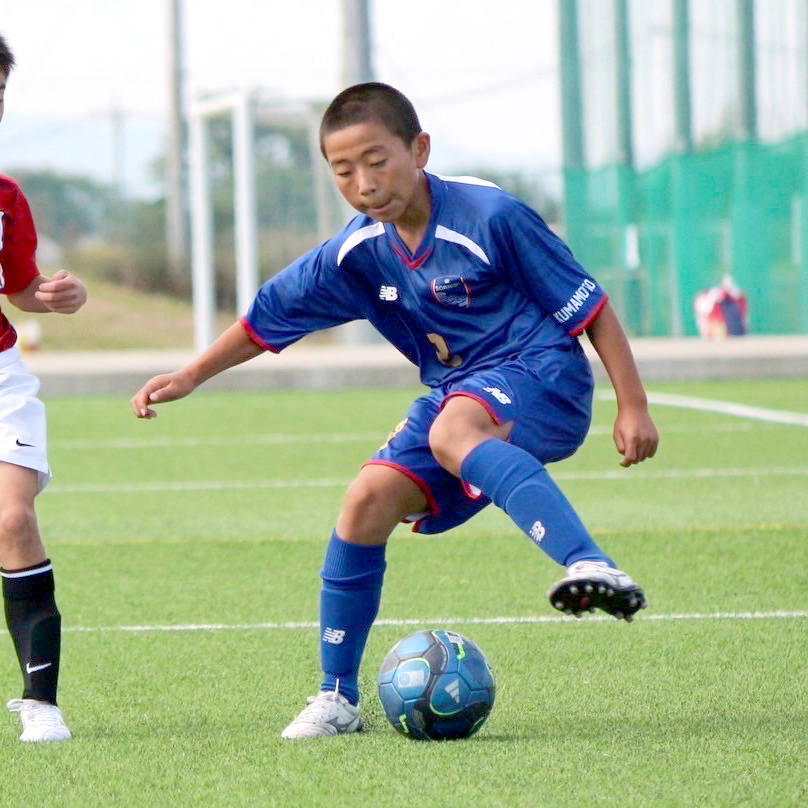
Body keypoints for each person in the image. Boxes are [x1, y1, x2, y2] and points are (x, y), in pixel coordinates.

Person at [131, 82, 659, 740]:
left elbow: (591, 307)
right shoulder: (355, 253)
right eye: (342, 169)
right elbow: (264, 320)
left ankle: (590, 563)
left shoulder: (490, 217)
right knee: (367, 499)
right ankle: (336, 697)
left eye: (376, 160)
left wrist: (631, 405)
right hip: (457, 395)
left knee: (453, 428)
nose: (362, 181)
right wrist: (188, 376)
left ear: (420, 149)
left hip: (544, 376)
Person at [0, 34, 88, 742]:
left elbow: (20, 288)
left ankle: (42, 703)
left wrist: (52, 295)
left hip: (2, 379)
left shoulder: (7, 197)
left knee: (12, 521)